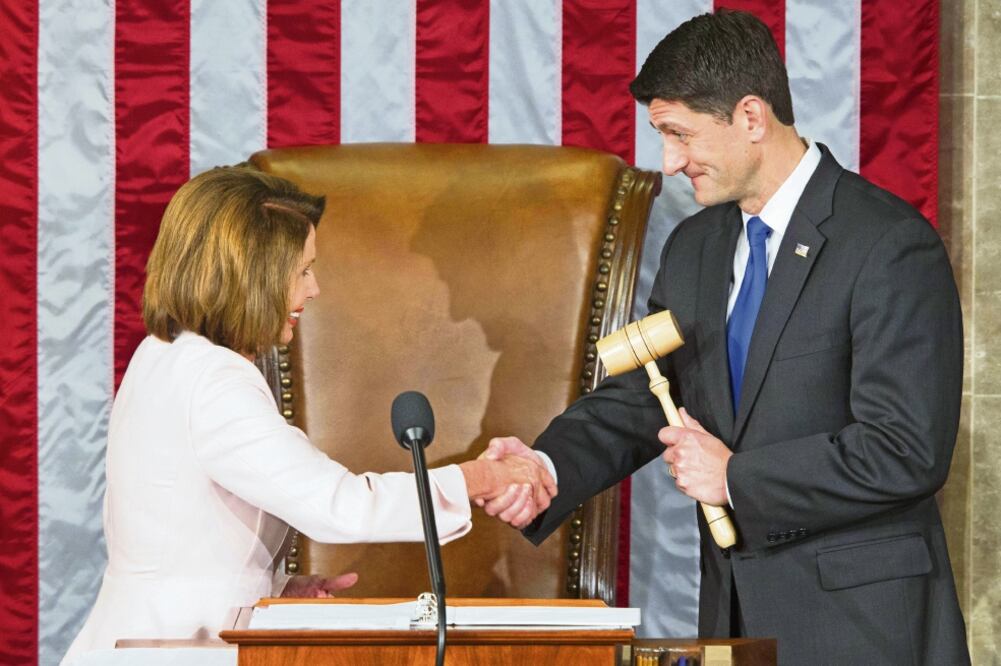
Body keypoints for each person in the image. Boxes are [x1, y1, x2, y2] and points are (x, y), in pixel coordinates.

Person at [481, 9, 969, 665]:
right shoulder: (693, 249)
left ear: (749, 117)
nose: (670, 162)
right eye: (661, 135)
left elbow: (904, 449)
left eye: (680, 134)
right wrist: (544, 469)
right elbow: (641, 398)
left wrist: (738, 477)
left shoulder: (886, 244)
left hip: (862, 628)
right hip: (736, 618)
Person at [62, 167, 555, 664]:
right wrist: (481, 477)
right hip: (174, 650)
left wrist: (273, 588)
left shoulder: (166, 354)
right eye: (301, 271)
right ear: (252, 274)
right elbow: (340, 506)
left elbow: (185, 536)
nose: (314, 288)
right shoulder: (214, 380)